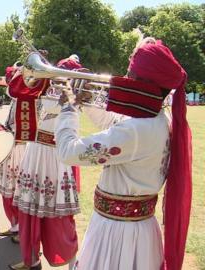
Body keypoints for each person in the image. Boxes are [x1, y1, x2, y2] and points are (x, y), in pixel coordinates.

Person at [55, 39, 192, 270]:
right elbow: (110, 121)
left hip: (117, 234)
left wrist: (68, 108)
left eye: (130, 74)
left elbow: (68, 152)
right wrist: (84, 96)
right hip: (135, 229)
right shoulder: (157, 118)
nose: (126, 79)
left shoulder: (137, 130)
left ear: (144, 82)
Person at [8, 57, 81, 270]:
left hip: (57, 157)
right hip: (36, 151)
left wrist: (70, 97)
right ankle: (31, 259)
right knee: (29, 211)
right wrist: (29, 71)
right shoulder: (45, 86)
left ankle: (73, 264)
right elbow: (14, 90)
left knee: (60, 216)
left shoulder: (76, 96)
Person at [0, 66, 25, 239]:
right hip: (9, 150)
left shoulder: (27, 98)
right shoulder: (15, 99)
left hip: (20, 150)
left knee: (18, 190)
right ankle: (14, 226)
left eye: (11, 80)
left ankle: (21, 228)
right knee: (8, 190)